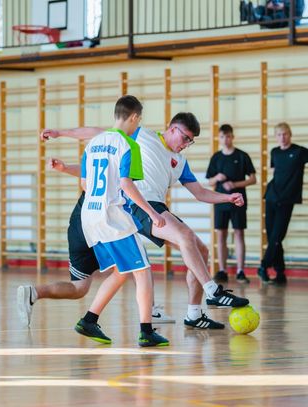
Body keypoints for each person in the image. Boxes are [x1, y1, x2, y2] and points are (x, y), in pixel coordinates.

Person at [41, 113, 250, 331]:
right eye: (185, 138)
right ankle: (213, 291)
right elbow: (96, 133)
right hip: (137, 204)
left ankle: (194, 314)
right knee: (184, 236)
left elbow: (200, 193)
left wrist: (228, 198)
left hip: (157, 207)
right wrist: (60, 133)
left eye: (191, 141)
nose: (186, 144)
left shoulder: (180, 162)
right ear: (172, 129)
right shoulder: (142, 136)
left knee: (201, 250)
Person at [16, 158, 175, 327]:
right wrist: (152, 214)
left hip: (79, 224)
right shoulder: (125, 156)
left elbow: (88, 173)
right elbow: (126, 187)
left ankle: (34, 293)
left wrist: (65, 168)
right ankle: (141, 317)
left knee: (79, 288)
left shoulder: (102, 156)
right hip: (101, 224)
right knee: (133, 265)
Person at [74, 95, 169, 347]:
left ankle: (89, 320)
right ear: (134, 117)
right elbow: (126, 184)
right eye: (139, 120)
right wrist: (153, 213)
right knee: (143, 271)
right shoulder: (128, 145)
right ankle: (146, 331)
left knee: (121, 270)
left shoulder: (92, 143)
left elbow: (84, 183)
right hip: (113, 217)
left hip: (90, 216)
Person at [257, 122, 308, 285]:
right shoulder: (275, 152)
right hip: (271, 197)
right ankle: (280, 273)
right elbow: (276, 172)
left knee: (277, 236)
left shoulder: (299, 151)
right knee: (273, 237)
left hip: (287, 199)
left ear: (290, 134)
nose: (282, 137)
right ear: (275, 137)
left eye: (285, 134)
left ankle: (264, 265)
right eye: (279, 135)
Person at [206, 124, 256, 284]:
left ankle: (241, 271)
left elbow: (253, 179)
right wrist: (217, 178)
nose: (225, 139)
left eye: (228, 136)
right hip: (220, 201)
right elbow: (209, 181)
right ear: (219, 138)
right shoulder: (216, 157)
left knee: (239, 233)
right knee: (221, 235)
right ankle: (222, 270)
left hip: (238, 202)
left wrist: (235, 185)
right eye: (222, 136)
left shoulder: (242, 156)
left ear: (232, 137)